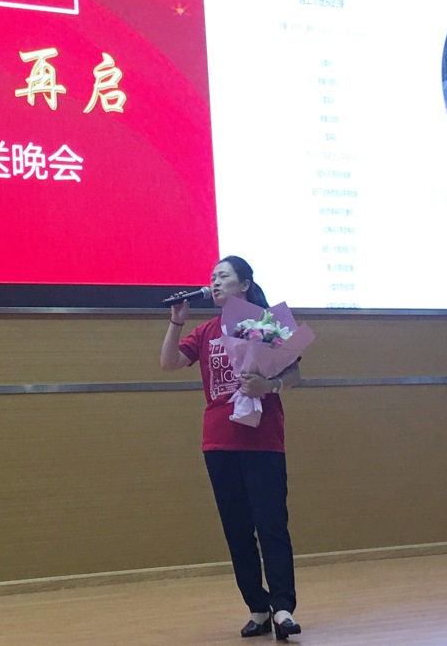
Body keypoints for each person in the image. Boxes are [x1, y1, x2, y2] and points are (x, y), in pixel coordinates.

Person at [160, 256, 302, 640]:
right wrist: (176, 321)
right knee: (237, 530)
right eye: (212, 277)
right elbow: (169, 363)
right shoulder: (206, 331)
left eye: (223, 276)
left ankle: (283, 608)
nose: (215, 282)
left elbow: (294, 372)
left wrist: (268, 386)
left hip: (263, 439)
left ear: (244, 284)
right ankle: (257, 607)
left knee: (271, 525)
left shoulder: (266, 323)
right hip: (219, 441)